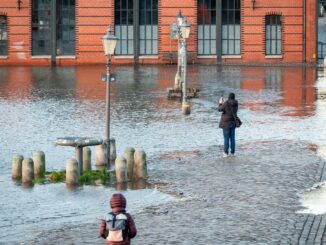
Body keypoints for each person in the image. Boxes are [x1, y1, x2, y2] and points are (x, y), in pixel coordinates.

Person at [218, 92, 238, 157]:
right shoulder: (236, 103)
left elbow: (219, 109)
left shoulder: (226, 103)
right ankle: (232, 153)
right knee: (232, 138)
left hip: (226, 123)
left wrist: (220, 103)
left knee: (226, 138)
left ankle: (225, 153)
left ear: (229, 97)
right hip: (233, 122)